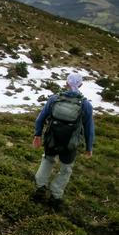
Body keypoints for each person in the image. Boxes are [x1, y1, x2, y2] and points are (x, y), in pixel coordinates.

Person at [31, 72, 95, 211]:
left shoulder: (54, 99)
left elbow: (40, 118)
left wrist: (37, 135)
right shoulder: (85, 104)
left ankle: (40, 188)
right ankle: (56, 195)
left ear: (66, 83)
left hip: (51, 139)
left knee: (47, 160)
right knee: (66, 169)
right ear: (81, 85)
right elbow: (89, 128)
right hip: (70, 144)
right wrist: (89, 147)